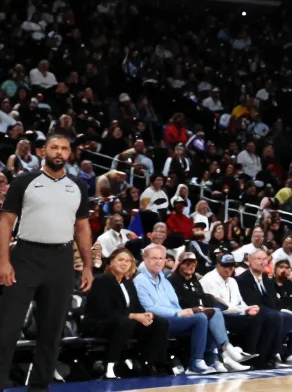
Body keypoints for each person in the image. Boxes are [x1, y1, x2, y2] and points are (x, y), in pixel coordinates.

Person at [0, 130, 95, 390]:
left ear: (70, 153)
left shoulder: (78, 186)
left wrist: (87, 266)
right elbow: (5, 222)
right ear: (43, 151)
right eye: (54, 147)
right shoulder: (24, 181)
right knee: (7, 328)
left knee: (52, 330)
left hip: (62, 260)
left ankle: (40, 386)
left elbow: (82, 228)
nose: (59, 152)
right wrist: (4, 261)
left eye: (64, 148)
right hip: (25, 257)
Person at [84, 248, 172, 378]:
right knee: (126, 322)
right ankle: (110, 365)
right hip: (99, 323)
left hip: (124, 322)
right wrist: (133, 316)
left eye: (128, 261)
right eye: (120, 260)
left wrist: (146, 314)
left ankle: (151, 363)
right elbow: (105, 310)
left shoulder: (128, 283)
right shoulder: (101, 281)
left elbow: (136, 306)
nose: (124, 263)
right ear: (111, 262)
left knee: (160, 323)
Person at [133, 244, 218, 374]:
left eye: (161, 258)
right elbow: (149, 307)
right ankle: (196, 363)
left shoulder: (164, 280)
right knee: (200, 319)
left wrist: (184, 313)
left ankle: (214, 359)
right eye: (154, 258)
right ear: (146, 260)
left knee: (211, 315)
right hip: (157, 321)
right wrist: (178, 313)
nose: (158, 262)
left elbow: (175, 303)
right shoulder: (140, 281)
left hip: (174, 318)